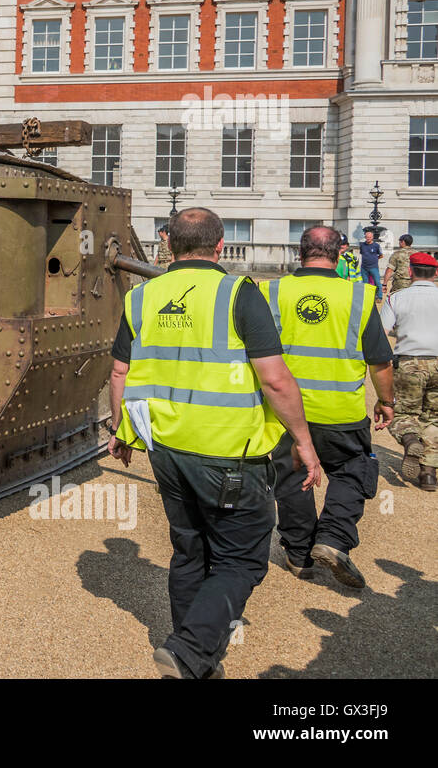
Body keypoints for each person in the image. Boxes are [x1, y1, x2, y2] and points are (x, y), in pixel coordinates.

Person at [106, 207, 321, 679]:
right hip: (230, 454)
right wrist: (303, 441)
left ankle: (196, 659)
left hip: (168, 450)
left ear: (168, 243)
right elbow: (276, 380)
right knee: (242, 558)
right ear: (220, 246)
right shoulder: (239, 292)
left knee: (189, 551)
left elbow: (120, 371)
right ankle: (190, 650)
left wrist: (124, 433)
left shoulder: (141, 297)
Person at [261, 227, 395, 589]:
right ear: (341, 254)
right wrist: (386, 401)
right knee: (353, 470)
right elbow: (380, 362)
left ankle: (299, 555)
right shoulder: (360, 296)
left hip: (284, 412)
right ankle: (333, 539)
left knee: (292, 479)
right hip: (341, 410)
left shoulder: (270, 291)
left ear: (299, 252)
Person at [381, 251, 438, 492]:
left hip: (409, 361)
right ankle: (428, 474)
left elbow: (381, 333)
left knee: (403, 412)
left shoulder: (397, 298)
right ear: (436, 273)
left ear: (411, 271)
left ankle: (410, 439)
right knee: (434, 417)